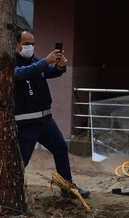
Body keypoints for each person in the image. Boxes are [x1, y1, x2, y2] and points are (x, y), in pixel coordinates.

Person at [14, 29, 90, 198]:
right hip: (26, 123)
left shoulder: (33, 60)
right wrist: (45, 62)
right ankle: (12, 192)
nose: (31, 47)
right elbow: (20, 74)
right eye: (27, 44)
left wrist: (59, 67)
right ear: (16, 45)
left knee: (61, 148)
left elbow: (46, 72)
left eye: (33, 44)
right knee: (21, 161)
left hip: (45, 120)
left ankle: (67, 187)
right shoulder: (10, 63)